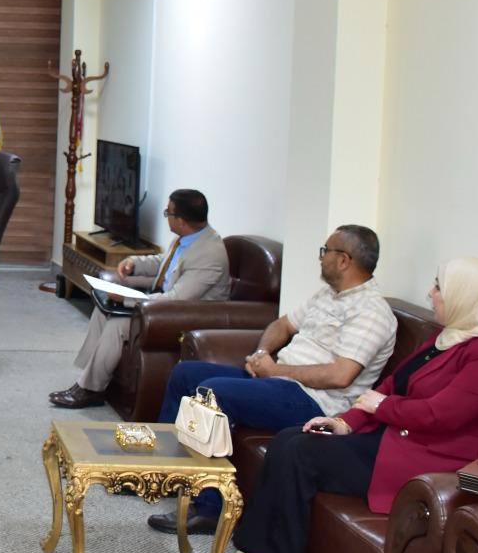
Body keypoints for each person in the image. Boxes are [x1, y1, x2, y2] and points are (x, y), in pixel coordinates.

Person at [223, 257, 478, 553]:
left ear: (467, 297)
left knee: (301, 453)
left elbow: (440, 415)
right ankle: (254, 549)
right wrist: (346, 421)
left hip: (429, 461)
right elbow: (391, 385)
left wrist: (382, 408)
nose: (431, 293)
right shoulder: (447, 338)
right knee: (289, 438)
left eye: (439, 287)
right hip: (395, 439)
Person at [147, 224, 397, 534]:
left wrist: (274, 370)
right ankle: (165, 476)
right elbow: (283, 325)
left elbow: (340, 375)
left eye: (325, 251)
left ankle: (209, 508)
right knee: (185, 373)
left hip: (313, 401)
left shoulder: (372, 312)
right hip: (278, 381)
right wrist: (262, 352)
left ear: (344, 260)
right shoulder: (329, 295)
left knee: (213, 393)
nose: (320, 258)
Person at [50, 188, 230, 408]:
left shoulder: (210, 253)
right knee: (104, 308)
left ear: (181, 221)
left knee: (118, 323)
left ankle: (91, 390)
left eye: (168, 213)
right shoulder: (188, 237)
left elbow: (177, 299)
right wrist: (134, 263)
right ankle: (87, 379)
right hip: (163, 303)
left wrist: (128, 300)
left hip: (184, 317)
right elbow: (165, 264)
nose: (166, 216)